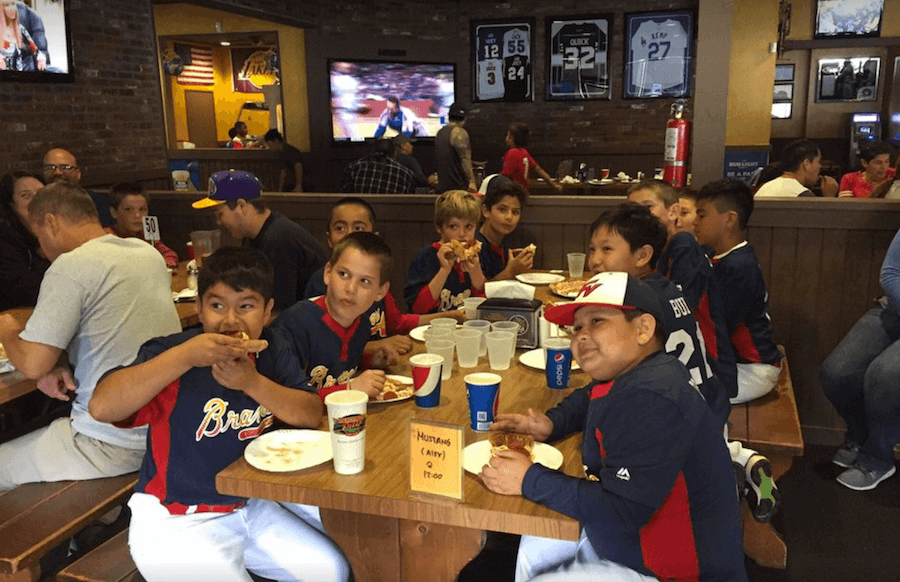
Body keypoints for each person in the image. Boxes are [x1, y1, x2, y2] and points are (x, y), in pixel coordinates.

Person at [89, 247, 350, 582]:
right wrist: (186, 356)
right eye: (217, 306)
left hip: (250, 506)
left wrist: (252, 383)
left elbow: (310, 412)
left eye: (246, 306)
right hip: (175, 518)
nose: (230, 320)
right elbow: (102, 406)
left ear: (268, 311)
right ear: (198, 309)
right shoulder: (171, 355)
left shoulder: (272, 348)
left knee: (332, 571)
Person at [481, 271, 746, 582]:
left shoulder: (651, 397)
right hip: (634, 542)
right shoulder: (642, 371)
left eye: (597, 322)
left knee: (540, 553)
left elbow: (623, 511)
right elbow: (588, 395)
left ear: (644, 329)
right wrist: (551, 423)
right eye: (576, 327)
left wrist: (529, 479)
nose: (580, 335)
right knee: (537, 545)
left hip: (675, 571)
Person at [589, 202, 779, 522]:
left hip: (680, 416)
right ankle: (743, 459)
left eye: (606, 249)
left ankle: (722, 489)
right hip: (709, 400)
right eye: (592, 249)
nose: (594, 260)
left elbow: (612, 369)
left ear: (643, 255)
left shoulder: (637, 303)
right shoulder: (665, 288)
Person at [0, 181, 181, 489]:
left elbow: (31, 365)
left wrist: (6, 327)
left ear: (52, 223)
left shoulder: (70, 266)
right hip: (168, 428)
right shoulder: (146, 253)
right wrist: (56, 358)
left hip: (113, 442)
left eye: (39, 235)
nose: (41, 247)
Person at [303, 198, 454, 356]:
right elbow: (324, 346)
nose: (349, 234)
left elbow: (397, 323)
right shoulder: (321, 284)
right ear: (329, 239)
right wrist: (375, 346)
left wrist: (449, 316)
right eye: (340, 228)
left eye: (358, 228)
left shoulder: (377, 279)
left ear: (374, 236)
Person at [820, 226, 900, 491]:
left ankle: (877, 458)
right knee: (836, 373)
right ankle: (860, 435)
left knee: (885, 375)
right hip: (893, 308)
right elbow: (891, 273)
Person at [273, 232, 392, 401]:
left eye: (364, 281)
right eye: (343, 274)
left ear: (380, 291)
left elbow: (335, 368)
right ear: (328, 273)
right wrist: (349, 389)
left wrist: (370, 360)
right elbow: (285, 400)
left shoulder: (361, 322)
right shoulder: (296, 325)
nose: (351, 288)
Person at [694, 179, 782, 404]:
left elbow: (714, 331)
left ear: (730, 219)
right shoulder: (719, 256)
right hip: (734, 363)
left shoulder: (738, 266)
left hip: (751, 370)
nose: (695, 222)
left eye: (702, 215)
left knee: (669, 394)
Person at [193, 170, 327, 314]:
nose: (219, 222)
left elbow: (280, 311)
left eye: (220, 213)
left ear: (241, 206)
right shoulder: (255, 235)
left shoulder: (278, 240)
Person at [405, 190, 486, 314]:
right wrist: (444, 270)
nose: (462, 234)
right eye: (453, 226)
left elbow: (484, 303)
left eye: (468, 226)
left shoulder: (476, 255)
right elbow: (418, 309)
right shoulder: (425, 257)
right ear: (439, 228)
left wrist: (476, 271)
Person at [0, 171, 49, 310]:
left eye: (41, 193)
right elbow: (24, 293)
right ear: (12, 205)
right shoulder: (5, 238)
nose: (36, 200)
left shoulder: (60, 226)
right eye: (25, 195)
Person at [106, 182, 178, 269]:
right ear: (114, 212)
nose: (137, 215)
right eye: (128, 210)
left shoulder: (145, 234)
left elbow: (170, 255)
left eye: (142, 209)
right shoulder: (107, 237)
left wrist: (167, 265)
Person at [476, 174, 534, 280]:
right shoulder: (475, 247)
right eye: (502, 210)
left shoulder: (508, 242)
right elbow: (479, 292)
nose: (509, 217)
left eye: (515, 212)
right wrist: (511, 271)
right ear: (486, 211)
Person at [41, 148, 114, 227]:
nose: (57, 172)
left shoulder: (98, 203)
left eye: (65, 167)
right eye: (50, 167)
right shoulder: (37, 205)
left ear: (78, 173)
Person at [754, 139, 839, 198]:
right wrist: (829, 197)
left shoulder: (766, 187)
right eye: (818, 161)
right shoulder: (802, 195)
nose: (820, 166)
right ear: (807, 164)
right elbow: (821, 222)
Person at [500, 122, 562, 193]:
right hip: (523, 192)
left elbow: (505, 176)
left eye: (507, 135)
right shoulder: (524, 152)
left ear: (511, 138)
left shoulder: (511, 153)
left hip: (512, 193)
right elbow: (539, 170)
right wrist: (554, 185)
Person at [339, 138, 415, 194]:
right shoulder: (406, 174)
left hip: (358, 214)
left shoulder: (354, 168)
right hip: (392, 214)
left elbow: (343, 197)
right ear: (394, 153)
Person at [435, 103, 477, 193]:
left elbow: (449, 157)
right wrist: (472, 181)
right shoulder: (459, 132)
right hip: (458, 187)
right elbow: (465, 159)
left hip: (443, 187)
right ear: (465, 118)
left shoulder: (440, 133)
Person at [0, 0, 45, 72]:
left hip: (22, 78)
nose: (12, 8)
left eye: (12, 4)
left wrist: (41, 58)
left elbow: (35, 50)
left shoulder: (21, 29)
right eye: (7, 5)